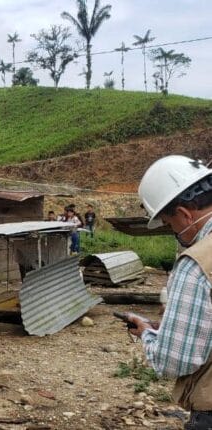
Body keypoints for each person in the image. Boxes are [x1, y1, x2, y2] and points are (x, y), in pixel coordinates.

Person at [129, 155, 212, 430]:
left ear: (185, 214)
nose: (172, 230)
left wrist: (148, 334)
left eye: (169, 223)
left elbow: (174, 360)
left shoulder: (197, 264)